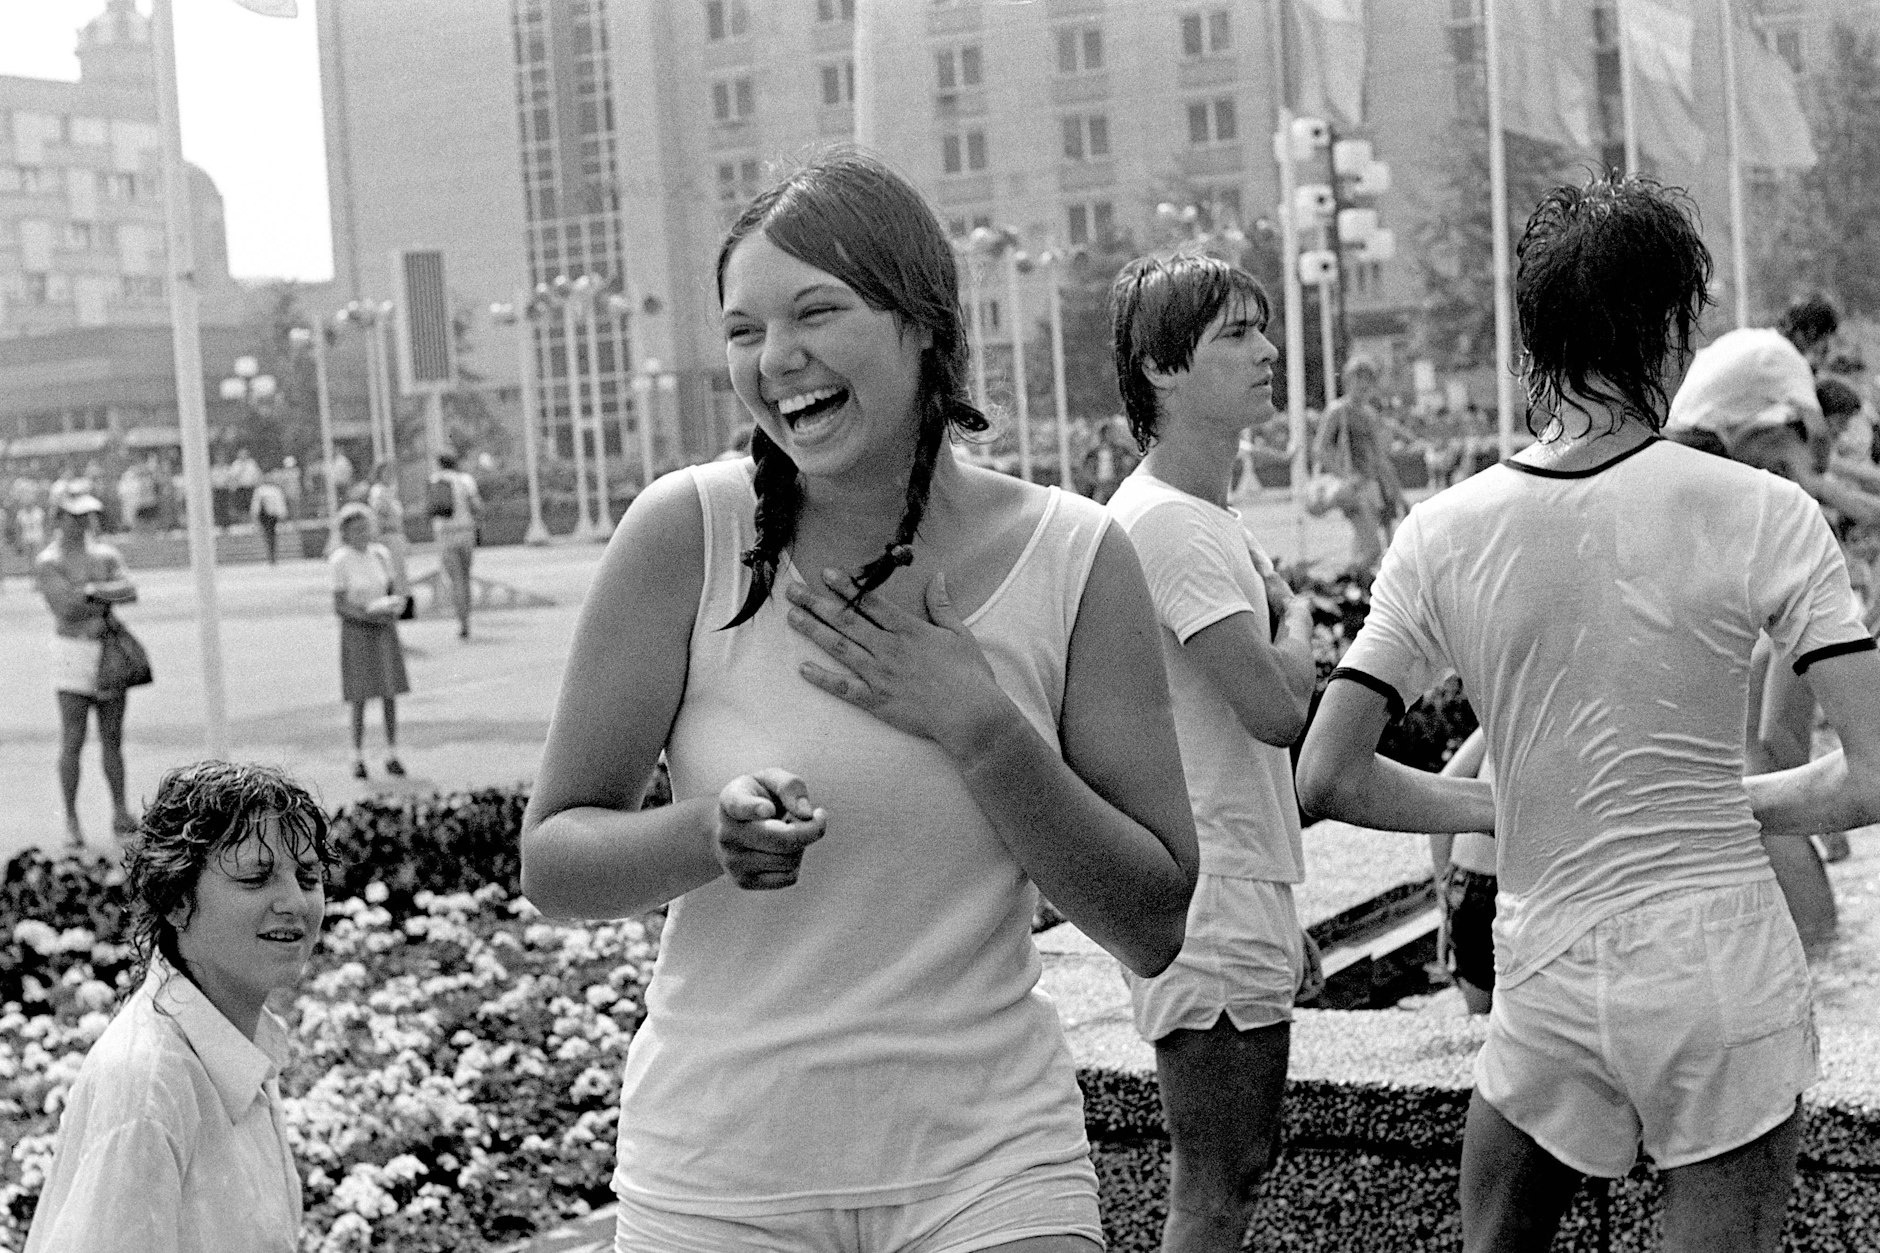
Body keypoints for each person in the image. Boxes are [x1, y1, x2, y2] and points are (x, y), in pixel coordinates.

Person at [520, 149, 1198, 1252]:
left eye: (815, 311)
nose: (775, 358)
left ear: (920, 320)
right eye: (742, 329)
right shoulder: (681, 535)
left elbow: (1153, 918)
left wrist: (978, 724)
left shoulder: (1078, 556)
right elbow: (553, 860)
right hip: (720, 1168)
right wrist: (708, 833)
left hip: (989, 1160)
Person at [1297, 173, 1880, 1253]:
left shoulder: (1444, 530)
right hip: (1715, 964)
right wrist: (1725, 800)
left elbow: (1327, 774)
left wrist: (1505, 798)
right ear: (1669, 335)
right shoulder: (1764, 511)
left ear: (1531, 339)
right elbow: (1871, 772)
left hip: (1545, 960)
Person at [1104, 251, 1317, 1253]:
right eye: (1234, 334)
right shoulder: (1170, 527)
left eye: (1260, 327)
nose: (1265, 350)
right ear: (1160, 366)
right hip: (1213, 895)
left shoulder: (1195, 516)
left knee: (1231, 1176)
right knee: (1214, 1186)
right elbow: (1275, 709)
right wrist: (1302, 630)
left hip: (1234, 886)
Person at [23, 760, 329, 1253]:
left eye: (309, 876)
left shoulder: (238, 1044)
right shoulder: (148, 1088)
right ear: (176, 900)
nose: (295, 901)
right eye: (256, 878)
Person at [35, 494, 138, 847]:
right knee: (73, 738)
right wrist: (101, 595)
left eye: (87, 516)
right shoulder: (50, 560)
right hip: (72, 653)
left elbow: (129, 590)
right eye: (75, 517)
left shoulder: (105, 554)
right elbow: (65, 607)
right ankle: (71, 818)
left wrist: (90, 590)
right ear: (59, 518)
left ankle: (121, 812)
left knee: (113, 738)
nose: (82, 523)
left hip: (107, 650)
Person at [1309, 355, 1408, 578]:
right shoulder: (1338, 411)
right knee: (1373, 549)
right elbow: (1319, 449)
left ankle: (1354, 590)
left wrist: (1398, 494)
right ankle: (1339, 583)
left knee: (1368, 548)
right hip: (1354, 488)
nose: (1363, 384)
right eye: (1357, 378)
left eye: (1367, 379)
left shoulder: (1369, 414)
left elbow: (1380, 458)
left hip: (1372, 486)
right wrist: (1345, 475)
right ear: (1347, 381)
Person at [329, 502, 408, 780]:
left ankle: (391, 752)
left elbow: (391, 590)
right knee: (360, 695)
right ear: (345, 534)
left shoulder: (380, 554)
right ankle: (357, 755)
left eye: (366, 528)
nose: (363, 534)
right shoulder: (341, 560)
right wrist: (364, 615)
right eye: (356, 530)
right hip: (357, 630)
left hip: (383, 626)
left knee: (389, 691)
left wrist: (393, 607)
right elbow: (339, 605)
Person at [1428, 728, 1496, 1015]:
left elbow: (1442, 787)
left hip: (1464, 880)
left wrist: (1443, 887)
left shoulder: (1503, 705)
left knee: (1482, 1024)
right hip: (1512, 885)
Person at [428, 452, 481, 639]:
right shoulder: (465, 480)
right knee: (465, 577)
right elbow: (477, 505)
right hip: (465, 532)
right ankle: (468, 617)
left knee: (455, 579)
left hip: (445, 535)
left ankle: (461, 621)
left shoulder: (434, 480)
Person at [364, 459, 411, 596]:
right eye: (387, 472)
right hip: (388, 536)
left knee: (400, 573)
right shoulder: (379, 491)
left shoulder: (389, 491)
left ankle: (403, 604)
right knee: (394, 573)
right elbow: (380, 511)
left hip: (395, 535)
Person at [249, 474, 289, 565]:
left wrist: (254, 514)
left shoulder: (270, 490)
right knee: (270, 534)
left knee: (269, 534)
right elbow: (257, 504)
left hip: (269, 515)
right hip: (267, 515)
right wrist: (283, 514)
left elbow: (279, 503)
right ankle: (271, 555)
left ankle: (271, 555)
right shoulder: (265, 490)